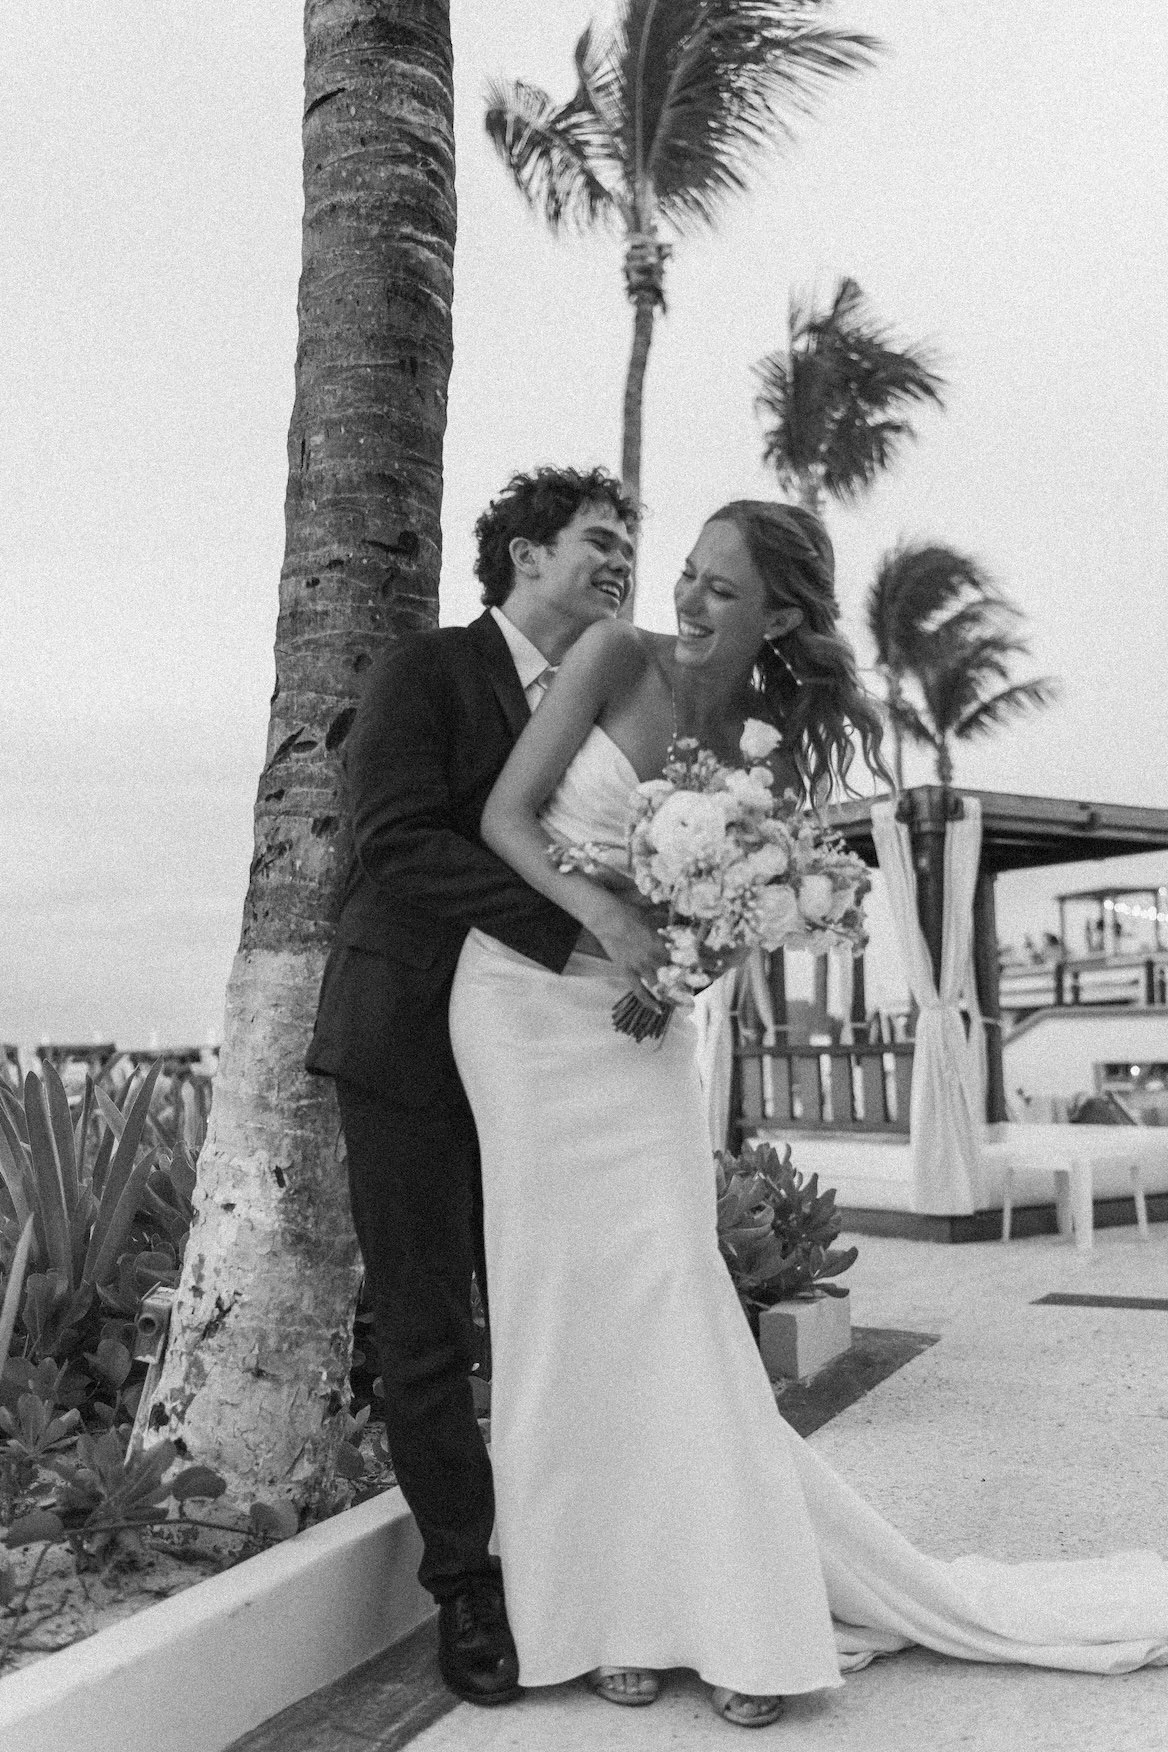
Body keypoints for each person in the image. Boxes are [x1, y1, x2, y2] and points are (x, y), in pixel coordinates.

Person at [449, 500, 1168, 1727]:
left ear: (780, 614)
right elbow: (504, 819)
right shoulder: (614, 655)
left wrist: (675, 969)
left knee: (673, 1299)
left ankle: (730, 1609)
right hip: (520, 1006)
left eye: (721, 589)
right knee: (555, 1306)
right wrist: (607, 921)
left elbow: (740, 907)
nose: (688, 597)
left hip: (641, 1029)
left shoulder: (769, 738)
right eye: (688, 573)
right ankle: (601, 1611)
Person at [305, 465, 659, 1706]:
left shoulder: (611, 701)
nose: (621, 557)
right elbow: (393, 842)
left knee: (563, 1309)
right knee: (424, 1327)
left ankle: (593, 1561)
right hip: (405, 1043)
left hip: (554, 1056)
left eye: (629, 542)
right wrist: (579, 933)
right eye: (598, 538)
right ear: (521, 553)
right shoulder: (424, 671)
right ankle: (468, 1588)